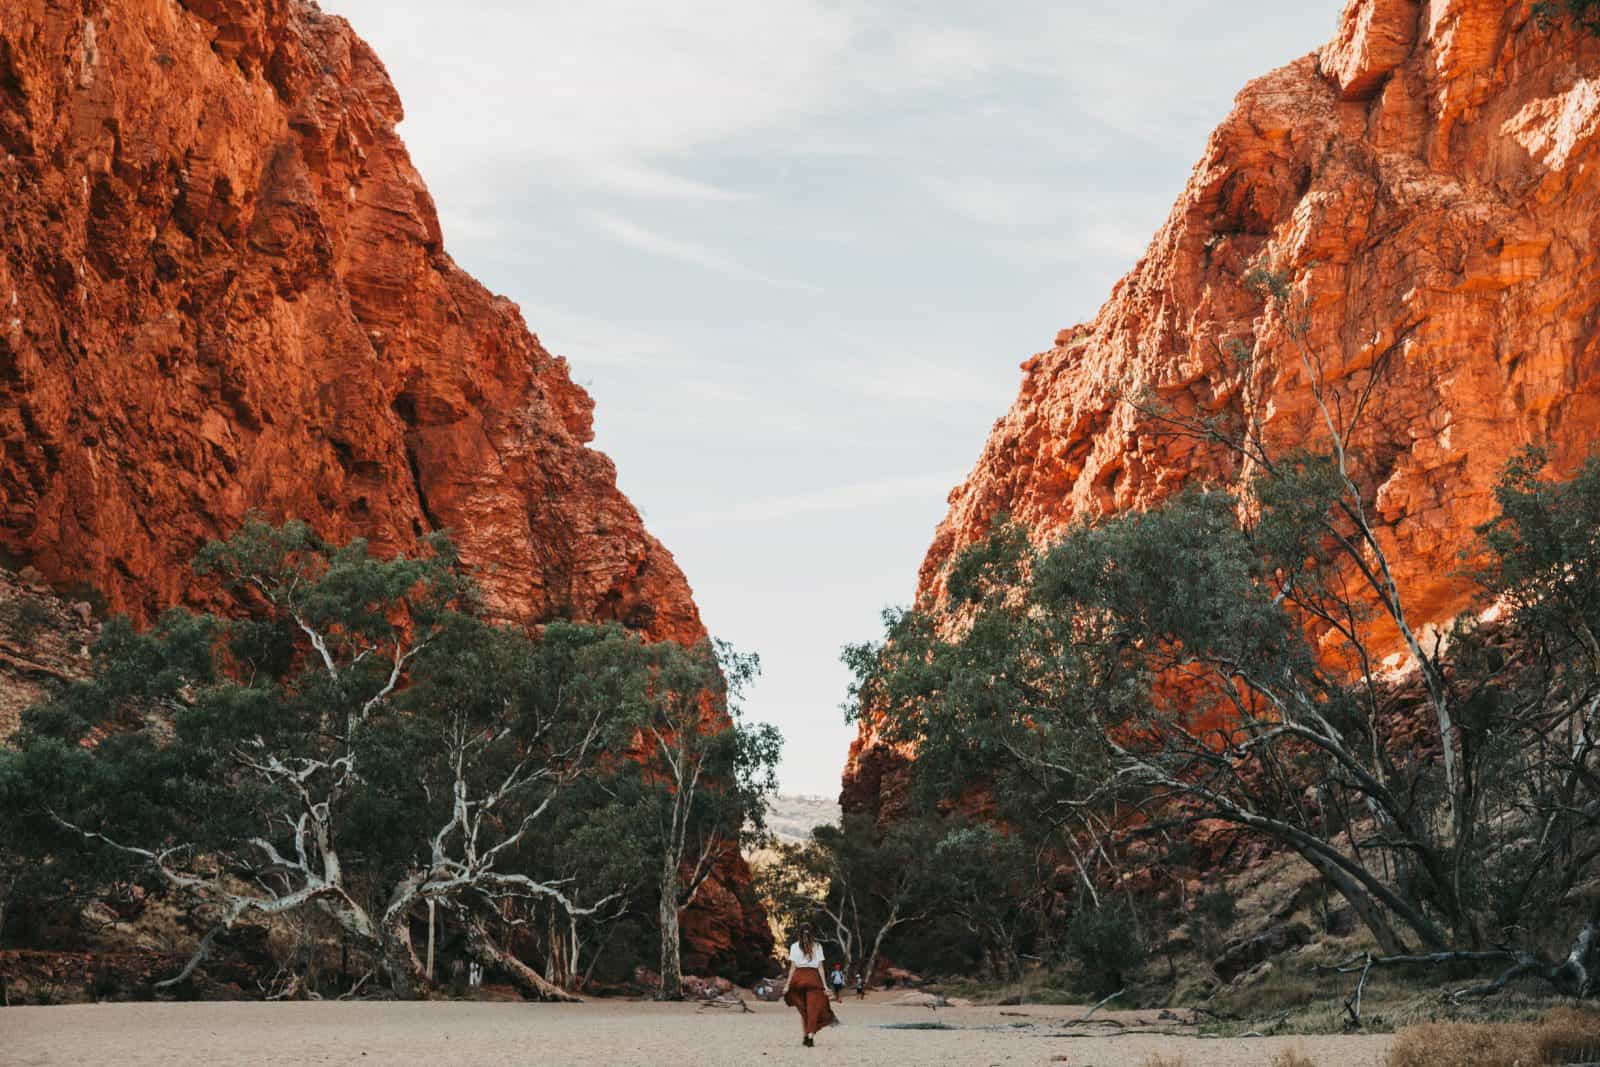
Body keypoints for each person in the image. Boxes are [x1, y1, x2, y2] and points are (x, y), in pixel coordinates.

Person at [781, 923, 837, 1047]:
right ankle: (810, 1036)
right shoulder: (817, 946)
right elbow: (820, 968)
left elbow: (792, 968)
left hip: (798, 980)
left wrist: (787, 984)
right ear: (812, 933)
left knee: (804, 1011)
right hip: (813, 979)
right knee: (813, 1009)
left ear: (799, 933)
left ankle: (806, 1035)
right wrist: (825, 986)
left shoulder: (794, 946)